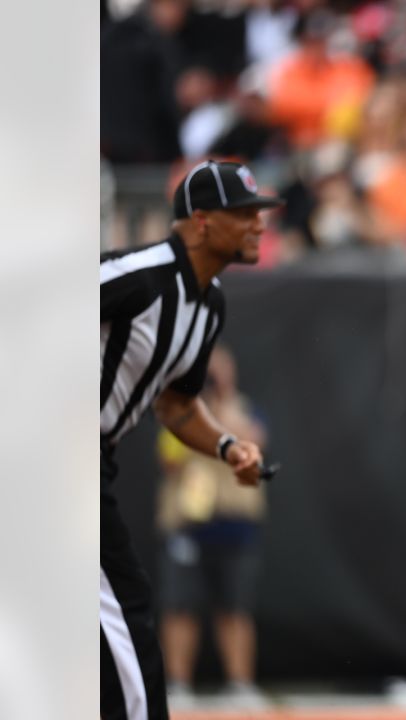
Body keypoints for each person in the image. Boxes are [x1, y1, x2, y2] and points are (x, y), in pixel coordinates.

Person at [101, 160, 281, 720]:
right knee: (123, 621)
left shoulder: (208, 304)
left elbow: (176, 404)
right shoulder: (138, 274)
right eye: (243, 214)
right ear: (200, 221)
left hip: (88, 464)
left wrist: (227, 447)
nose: (258, 225)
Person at [155, 345, 269, 709]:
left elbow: (253, 444)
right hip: (188, 524)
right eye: (208, 373)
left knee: (235, 608)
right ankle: (178, 683)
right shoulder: (178, 412)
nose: (213, 379)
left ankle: (239, 683)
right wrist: (196, 409)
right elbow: (169, 459)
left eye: (219, 373)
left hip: (235, 525)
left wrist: (220, 405)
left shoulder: (246, 409)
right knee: (180, 607)